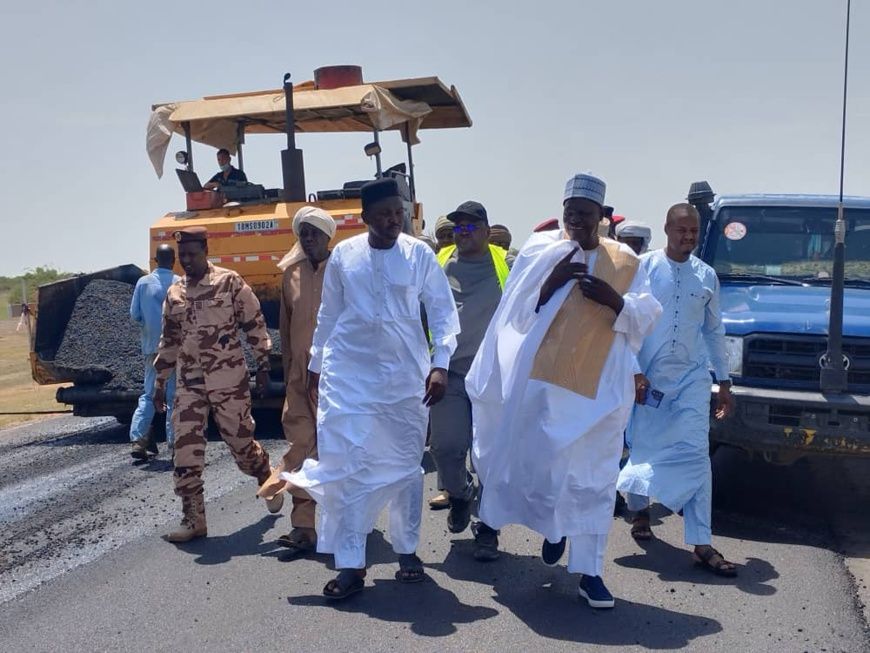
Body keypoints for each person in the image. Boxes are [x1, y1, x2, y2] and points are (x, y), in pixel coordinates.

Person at [467, 173, 661, 609]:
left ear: (602, 217)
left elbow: (647, 316)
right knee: (544, 472)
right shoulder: (540, 251)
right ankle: (554, 530)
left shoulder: (627, 260)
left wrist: (616, 301)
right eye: (570, 212)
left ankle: (590, 573)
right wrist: (551, 283)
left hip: (600, 392)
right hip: (543, 389)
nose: (576, 221)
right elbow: (511, 313)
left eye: (586, 215)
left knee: (593, 480)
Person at [283, 178, 459, 600]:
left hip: (404, 382)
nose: (393, 221)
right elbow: (329, 315)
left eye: (398, 213)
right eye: (383, 215)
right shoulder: (345, 254)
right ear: (365, 218)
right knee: (347, 466)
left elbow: (441, 310)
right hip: (350, 378)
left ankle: (407, 551)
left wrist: (440, 365)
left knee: (403, 468)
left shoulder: (419, 255)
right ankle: (349, 564)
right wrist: (316, 366)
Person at [617, 203, 738, 577]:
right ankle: (639, 511)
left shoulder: (706, 277)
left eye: (693, 232)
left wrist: (725, 382)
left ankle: (702, 542)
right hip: (648, 379)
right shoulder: (645, 269)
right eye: (681, 230)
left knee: (698, 456)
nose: (687, 237)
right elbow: (628, 322)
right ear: (667, 229)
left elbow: (714, 331)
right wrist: (634, 372)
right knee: (640, 446)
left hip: (691, 379)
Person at [153, 226, 279, 543]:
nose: (188, 261)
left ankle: (264, 472)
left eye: (193, 255)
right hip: (189, 384)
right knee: (184, 449)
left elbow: (254, 322)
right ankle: (193, 519)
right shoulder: (175, 294)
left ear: (206, 250)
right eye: (183, 257)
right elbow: (168, 340)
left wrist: (262, 364)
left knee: (241, 445)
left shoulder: (229, 281)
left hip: (229, 381)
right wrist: (160, 380)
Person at [429, 201, 510, 562]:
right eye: (457, 228)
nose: (462, 234)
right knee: (445, 447)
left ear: (485, 229)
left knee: (490, 457)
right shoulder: (439, 262)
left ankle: (488, 531)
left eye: (470, 227)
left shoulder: (505, 262)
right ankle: (461, 495)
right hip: (451, 374)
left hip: (493, 376)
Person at [257, 207, 336, 557]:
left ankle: (344, 524)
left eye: (313, 233)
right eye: (302, 233)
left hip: (339, 378)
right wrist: (291, 375)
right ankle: (303, 527)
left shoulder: (344, 270)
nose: (307, 239)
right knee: (302, 442)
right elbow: (287, 333)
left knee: (335, 449)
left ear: (327, 237)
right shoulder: (290, 274)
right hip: (301, 377)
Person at [129, 245, 179, 460]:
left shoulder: (143, 282)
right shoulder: (179, 282)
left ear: (155, 260)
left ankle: (138, 439)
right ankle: (174, 443)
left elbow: (134, 315)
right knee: (174, 396)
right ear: (174, 260)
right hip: (176, 349)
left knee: (149, 394)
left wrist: (150, 328)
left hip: (151, 348)